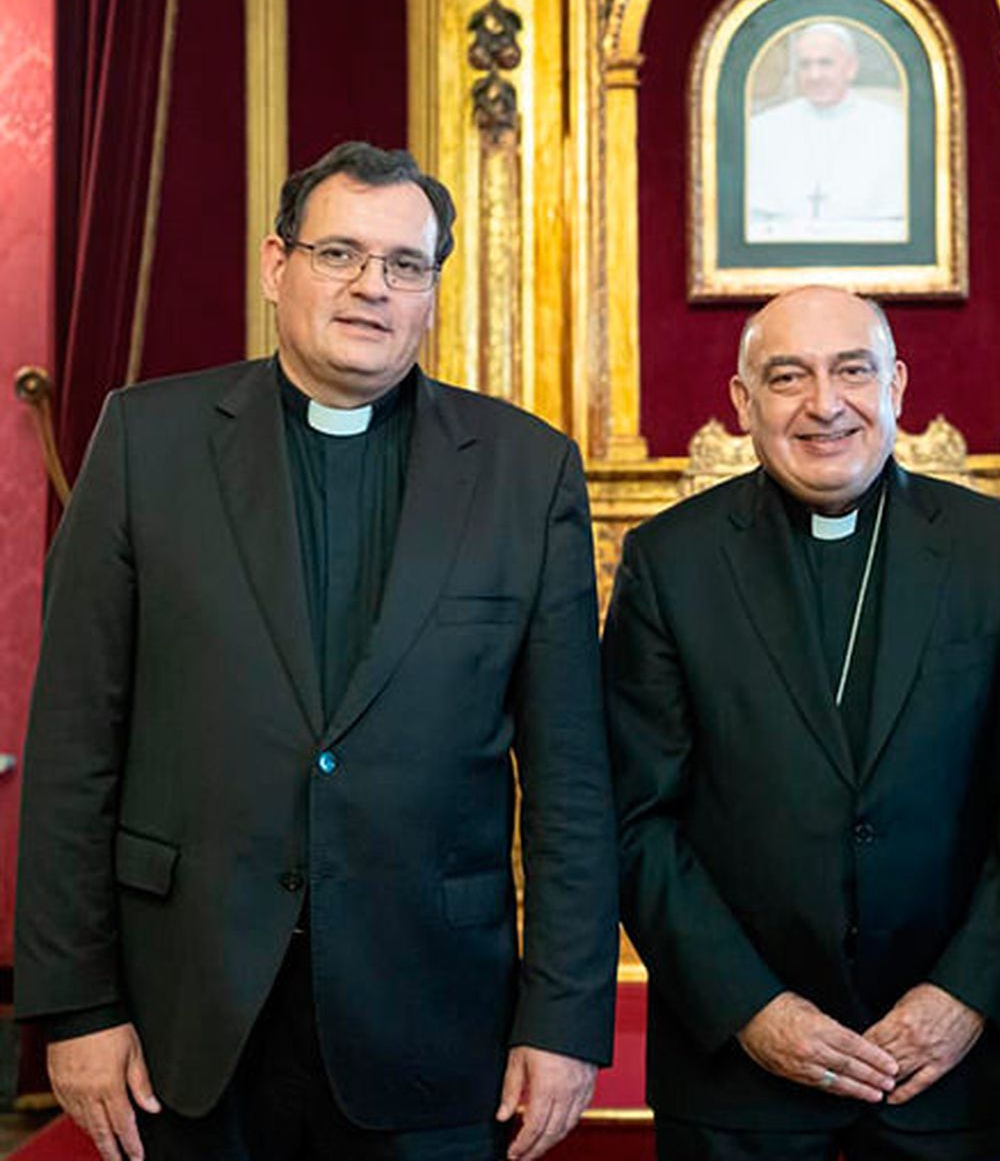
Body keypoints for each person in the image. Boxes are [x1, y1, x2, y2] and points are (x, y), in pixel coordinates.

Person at [15, 141, 618, 1161]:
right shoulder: (144, 444)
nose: (371, 287)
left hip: (433, 1018)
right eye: (339, 252)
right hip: (188, 1017)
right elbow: (75, 745)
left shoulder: (525, 471)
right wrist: (76, 1006)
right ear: (274, 265)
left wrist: (562, 1019)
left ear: (432, 289)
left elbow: (570, 778)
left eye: (404, 264)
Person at [605, 285, 1000, 1159]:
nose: (825, 404)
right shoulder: (670, 563)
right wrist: (753, 1009)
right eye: (788, 377)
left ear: (895, 384)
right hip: (741, 1088)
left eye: (852, 371)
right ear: (744, 405)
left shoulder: (998, 550)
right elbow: (636, 819)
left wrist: (963, 997)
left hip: (953, 1076)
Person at [746, 22, 908, 242]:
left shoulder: (893, 128)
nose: (815, 75)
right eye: (805, 65)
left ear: (851, 67)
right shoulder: (762, 129)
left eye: (825, 63)